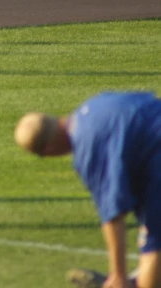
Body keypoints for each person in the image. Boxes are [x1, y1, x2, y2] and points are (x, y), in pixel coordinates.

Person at [14, 91, 161, 288]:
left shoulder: (87, 150)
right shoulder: (95, 106)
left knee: (153, 243)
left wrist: (118, 274)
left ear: (48, 150)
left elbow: (113, 213)